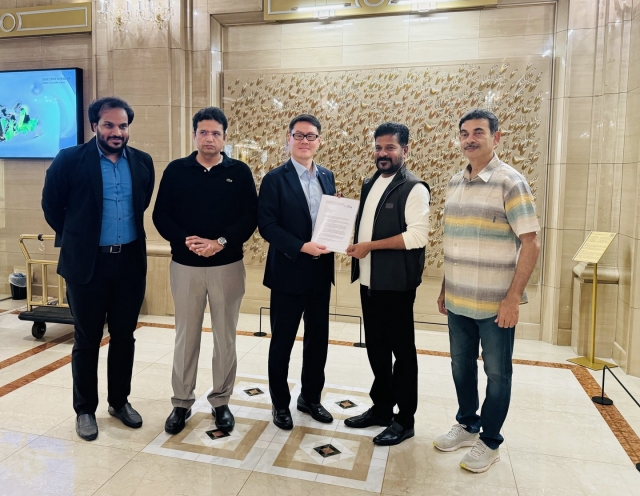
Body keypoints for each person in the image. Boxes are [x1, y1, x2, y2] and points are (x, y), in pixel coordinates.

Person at [42, 97, 155, 441]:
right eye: (109, 125)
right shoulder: (70, 160)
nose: (116, 132)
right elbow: (51, 206)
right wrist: (78, 237)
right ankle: (85, 410)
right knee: (88, 338)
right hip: (87, 265)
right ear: (94, 126)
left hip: (129, 263)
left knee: (124, 337)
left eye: (122, 126)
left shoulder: (142, 162)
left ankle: (119, 402)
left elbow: (143, 201)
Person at [434, 109, 540, 473]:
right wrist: (446, 286)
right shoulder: (454, 182)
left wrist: (513, 298)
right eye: (464, 133)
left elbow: (531, 243)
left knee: (497, 373)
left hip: (497, 304)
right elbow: (456, 240)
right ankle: (466, 424)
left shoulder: (511, 182)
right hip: (459, 299)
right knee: (460, 366)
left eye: (478, 132)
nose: (469, 139)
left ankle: (490, 440)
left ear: (496, 137)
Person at [153, 107, 257, 435]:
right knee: (186, 336)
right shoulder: (176, 170)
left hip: (227, 266)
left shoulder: (239, 172)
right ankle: (181, 402)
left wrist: (220, 242)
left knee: (225, 337)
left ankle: (221, 401)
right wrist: (188, 241)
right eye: (203, 132)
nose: (209, 138)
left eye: (216, 133)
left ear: (225, 137)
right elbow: (161, 216)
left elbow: (249, 217)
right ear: (195, 135)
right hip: (186, 267)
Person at [345, 122, 430, 446]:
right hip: (370, 281)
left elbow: (417, 236)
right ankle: (381, 408)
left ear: (405, 150)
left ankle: (404, 419)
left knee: (402, 354)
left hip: (396, 284)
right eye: (379, 147)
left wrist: (371, 246)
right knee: (377, 350)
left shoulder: (414, 188)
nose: (383, 153)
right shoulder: (370, 183)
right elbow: (368, 223)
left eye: (390, 148)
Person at [257, 114, 336, 430]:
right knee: (283, 342)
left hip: (320, 274)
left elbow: (327, 219)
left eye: (311, 136)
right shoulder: (275, 179)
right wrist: (302, 246)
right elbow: (268, 226)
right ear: (288, 139)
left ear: (319, 141)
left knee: (318, 341)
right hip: (288, 273)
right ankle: (280, 404)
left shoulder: (327, 176)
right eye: (299, 135)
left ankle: (310, 398)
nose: (305, 141)